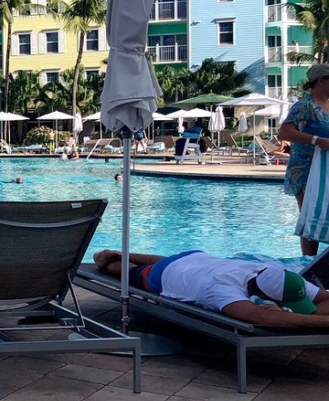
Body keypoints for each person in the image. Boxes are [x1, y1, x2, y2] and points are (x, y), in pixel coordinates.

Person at [93, 249, 329, 329]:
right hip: (163, 275)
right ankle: (115, 257)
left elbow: (325, 298)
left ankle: (120, 252)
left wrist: (305, 314)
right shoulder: (222, 291)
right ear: (260, 296)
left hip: (197, 259)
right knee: (117, 267)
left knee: (182, 261)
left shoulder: (277, 274)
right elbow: (261, 319)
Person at [279, 62, 329, 255]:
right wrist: (316, 140)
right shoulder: (304, 106)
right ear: (321, 81)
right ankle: (309, 263)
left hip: (326, 168)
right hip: (306, 169)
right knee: (310, 215)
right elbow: (285, 131)